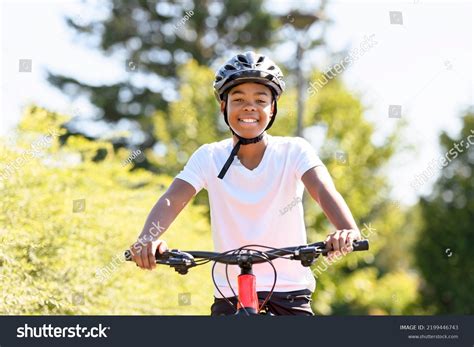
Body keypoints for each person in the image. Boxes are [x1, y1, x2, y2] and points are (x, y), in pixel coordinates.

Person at [130, 51, 361, 316]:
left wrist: (347, 230)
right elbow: (172, 199)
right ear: (223, 106)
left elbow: (322, 189)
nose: (249, 106)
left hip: (289, 293)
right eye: (238, 99)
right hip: (230, 294)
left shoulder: (294, 151)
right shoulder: (208, 156)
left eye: (260, 100)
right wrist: (148, 237)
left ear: (272, 108)